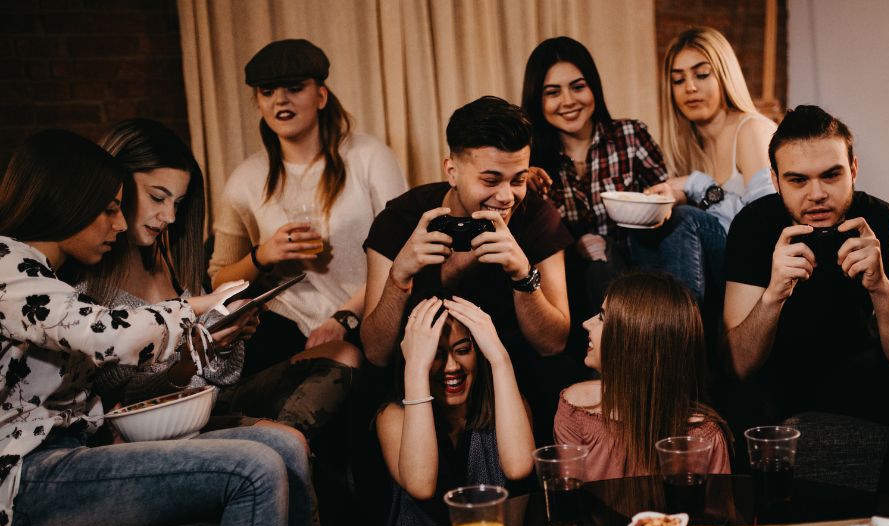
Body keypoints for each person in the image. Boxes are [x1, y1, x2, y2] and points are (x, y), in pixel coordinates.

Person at [0, 130, 313, 526]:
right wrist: (199, 308)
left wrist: (207, 338)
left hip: (73, 455)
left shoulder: (49, 277)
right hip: (22, 480)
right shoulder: (7, 264)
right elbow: (106, 334)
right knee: (254, 468)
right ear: (68, 202)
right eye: (109, 209)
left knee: (285, 448)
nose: (119, 224)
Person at [723, 105, 889, 498]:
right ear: (775, 180)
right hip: (777, 382)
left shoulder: (884, 223)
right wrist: (774, 294)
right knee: (738, 402)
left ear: (854, 169)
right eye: (798, 180)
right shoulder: (753, 226)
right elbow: (739, 366)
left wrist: (880, 287)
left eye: (831, 175)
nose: (817, 194)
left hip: (861, 379)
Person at [83, 118, 354, 443]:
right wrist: (190, 357)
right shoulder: (89, 281)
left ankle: (286, 442)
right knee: (286, 441)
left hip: (212, 401)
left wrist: (228, 334)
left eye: (177, 203)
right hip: (165, 421)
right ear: (116, 185)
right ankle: (282, 443)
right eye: (157, 197)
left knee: (343, 355)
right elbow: (123, 397)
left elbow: (222, 376)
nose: (170, 216)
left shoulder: (167, 253)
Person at [361, 96, 573, 439]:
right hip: (423, 381)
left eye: (518, 179)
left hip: (514, 378)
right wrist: (399, 276)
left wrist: (523, 275)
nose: (506, 197)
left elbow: (553, 344)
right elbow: (375, 353)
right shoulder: (400, 219)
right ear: (452, 171)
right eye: (490, 180)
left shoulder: (537, 217)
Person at [209, 38, 407, 376]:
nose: (280, 100)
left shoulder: (369, 157)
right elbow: (219, 280)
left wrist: (344, 316)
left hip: (366, 312)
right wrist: (263, 255)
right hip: (285, 320)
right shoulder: (246, 178)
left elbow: (401, 254)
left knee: (355, 366)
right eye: (267, 92)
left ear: (321, 96)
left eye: (294, 88)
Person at [521, 36, 726, 307]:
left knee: (673, 223)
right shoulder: (528, 159)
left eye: (578, 87)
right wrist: (574, 246)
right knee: (597, 263)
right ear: (537, 99)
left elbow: (662, 198)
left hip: (640, 264)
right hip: (571, 282)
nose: (568, 101)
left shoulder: (630, 135)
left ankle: (676, 321)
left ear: (593, 87)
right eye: (552, 92)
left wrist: (670, 198)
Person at [375, 296, 533, 526]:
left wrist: (499, 358)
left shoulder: (505, 406)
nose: (452, 366)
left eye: (462, 350)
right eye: (435, 354)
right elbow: (421, 485)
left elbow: (519, 467)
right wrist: (416, 368)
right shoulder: (393, 416)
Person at [555, 272, 730, 481]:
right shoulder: (576, 411)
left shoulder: (702, 438)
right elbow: (572, 496)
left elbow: (717, 503)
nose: (586, 323)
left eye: (602, 317)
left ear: (635, 340)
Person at [646, 26, 777, 233]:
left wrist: (695, 184)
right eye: (678, 80)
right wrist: (679, 197)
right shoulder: (684, 146)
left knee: (683, 218)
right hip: (706, 252)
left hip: (755, 251)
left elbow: (765, 223)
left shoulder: (751, 131)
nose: (690, 87)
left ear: (724, 75)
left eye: (702, 74)